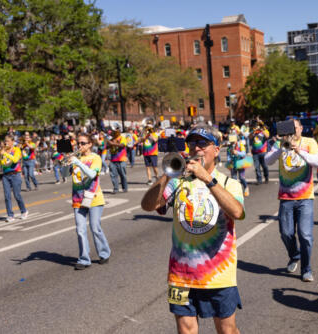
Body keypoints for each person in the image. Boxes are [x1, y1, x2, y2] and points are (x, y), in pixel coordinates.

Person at [141, 125, 245, 334]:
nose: (196, 148)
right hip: (181, 275)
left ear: (216, 150)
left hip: (218, 275)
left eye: (202, 143)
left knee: (227, 330)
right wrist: (168, 174)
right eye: (192, 143)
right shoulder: (177, 182)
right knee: (186, 329)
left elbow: (237, 212)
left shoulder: (228, 182)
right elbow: (148, 205)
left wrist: (207, 179)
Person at [265, 119, 318, 282]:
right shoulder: (281, 144)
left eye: (294, 128)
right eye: (289, 129)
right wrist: (280, 148)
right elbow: (267, 161)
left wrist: (299, 151)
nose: (292, 132)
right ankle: (294, 255)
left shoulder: (309, 142)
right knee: (286, 233)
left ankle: (306, 269)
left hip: (305, 197)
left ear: (301, 129)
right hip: (286, 197)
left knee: (305, 235)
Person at [70, 133, 111, 270]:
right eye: (78, 143)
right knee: (80, 230)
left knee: (95, 228)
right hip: (78, 197)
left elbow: (92, 174)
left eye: (82, 143)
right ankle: (83, 259)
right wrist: (64, 164)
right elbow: (65, 175)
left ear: (89, 144)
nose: (79, 146)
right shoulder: (76, 158)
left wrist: (78, 162)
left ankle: (104, 253)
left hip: (93, 197)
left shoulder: (96, 158)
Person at [0, 135, 28, 222]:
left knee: (17, 195)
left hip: (15, 174)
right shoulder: (3, 151)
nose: (6, 143)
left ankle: (24, 211)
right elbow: (1, 163)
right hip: (5, 175)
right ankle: (10, 215)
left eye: (7, 141)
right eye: (5, 141)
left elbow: (15, 160)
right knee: (7, 196)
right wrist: (0, 156)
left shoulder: (17, 150)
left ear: (12, 142)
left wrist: (5, 154)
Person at [226, 133, 252, 197]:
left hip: (240, 163)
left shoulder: (240, 145)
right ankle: (236, 191)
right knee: (234, 178)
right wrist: (229, 160)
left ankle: (246, 188)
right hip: (233, 164)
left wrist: (237, 152)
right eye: (231, 141)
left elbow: (244, 154)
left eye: (233, 140)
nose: (232, 142)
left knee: (241, 178)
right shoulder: (229, 147)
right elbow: (228, 155)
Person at [249, 120, 270, 185]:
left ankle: (266, 177)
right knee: (257, 167)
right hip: (255, 152)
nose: (255, 127)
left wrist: (261, 130)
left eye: (256, 126)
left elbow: (267, 136)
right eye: (254, 126)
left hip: (263, 151)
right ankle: (259, 179)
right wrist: (254, 132)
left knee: (264, 166)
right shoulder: (253, 131)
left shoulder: (264, 130)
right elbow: (249, 137)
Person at [108, 129, 128, 193]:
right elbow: (106, 147)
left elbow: (122, 145)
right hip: (113, 159)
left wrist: (113, 143)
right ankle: (115, 188)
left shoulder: (122, 138)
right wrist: (109, 144)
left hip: (121, 159)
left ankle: (124, 188)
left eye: (116, 131)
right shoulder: (111, 139)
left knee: (123, 175)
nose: (114, 133)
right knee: (113, 175)